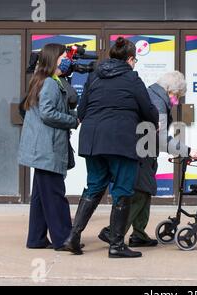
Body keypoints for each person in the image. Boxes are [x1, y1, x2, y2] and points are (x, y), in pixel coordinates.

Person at [62, 37, 159, 258]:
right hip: (121, 142)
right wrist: (154, 122)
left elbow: (83, 110)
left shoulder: (94, 76)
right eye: (135, 61)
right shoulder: (132, 79)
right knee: (123, 190)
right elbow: (148, 110)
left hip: (93, 140)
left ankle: (73, 237)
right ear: (131, 59)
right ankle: (116, 245)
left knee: (93, 187)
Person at [98, 71, 197, 247]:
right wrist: (187, 150)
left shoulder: (152, 95)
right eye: (177, 96)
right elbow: (159, 138)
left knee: (144, 192)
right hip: (141, 152)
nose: (177, 100)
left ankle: (138, 234)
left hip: (142, 151)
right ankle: (113, 231)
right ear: (170, 90)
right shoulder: (158, 104)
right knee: (139, 193)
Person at [18, 43, 80, 250]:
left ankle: (36, 238)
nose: (67, 60)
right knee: (54, 196)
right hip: (48, 148)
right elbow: (48, 113)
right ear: (54, 60)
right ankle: (64, 239)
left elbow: (57, 107)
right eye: (63, 56)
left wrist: (73, 115)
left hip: (41, 148)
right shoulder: (50, 84)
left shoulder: (45, 80)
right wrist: (73, 121)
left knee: (40, 197)